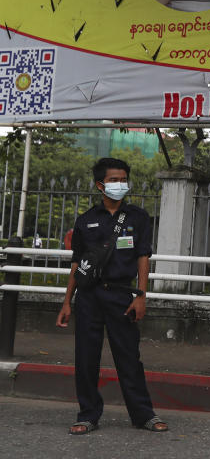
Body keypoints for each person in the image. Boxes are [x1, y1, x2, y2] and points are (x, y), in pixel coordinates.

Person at [55, 157, 168, 435]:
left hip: (122, 296)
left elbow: (143, 257)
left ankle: (143, 414)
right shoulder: (86, 220)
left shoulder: (138, 218)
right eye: (113, 180)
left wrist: (141, 295)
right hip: (89, 298)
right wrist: (67, 302)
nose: (120, 185)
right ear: (100, 185)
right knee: (86, 358)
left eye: (123, 180)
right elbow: (77, 264)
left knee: (129, 357)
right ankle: (88, 414)